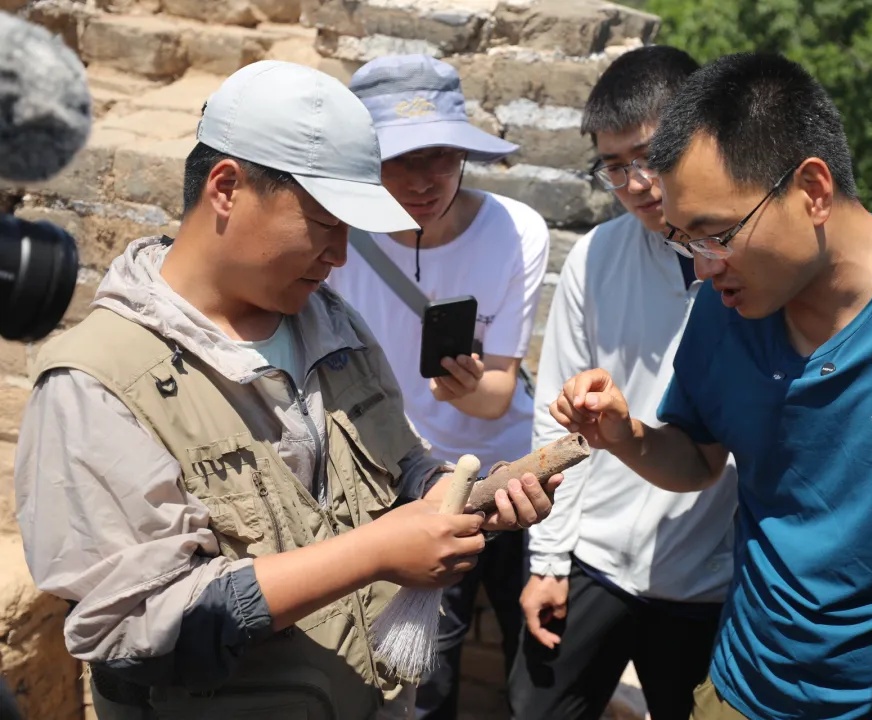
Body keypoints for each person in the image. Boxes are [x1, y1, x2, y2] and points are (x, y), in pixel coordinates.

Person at [13, 60, 559, 720]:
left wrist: (455, 498)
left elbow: (399, 468)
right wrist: (377, 553)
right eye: (325, 223)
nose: (341, 254)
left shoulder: (332, 324)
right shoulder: (98, 384)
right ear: (225, 188)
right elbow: (133, 628)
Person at [548, 51, 872, 720]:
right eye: (685, 241)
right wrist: (624, 435)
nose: (703, 267)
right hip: (740, 692)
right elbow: (698, 457)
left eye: (716, 234)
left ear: (813, 189)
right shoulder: (723, 313)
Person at [507, 45, 737, 720]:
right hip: (596, 559)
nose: (636, 183)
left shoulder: (749, 263)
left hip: (711, 578)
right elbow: (560, 415)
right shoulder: (597, 257)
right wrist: (548, 558)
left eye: (649, 156)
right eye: (614, 167)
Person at [326, 55, 550, 719]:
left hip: (507, 472)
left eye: (443, 155)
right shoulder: (337, 237)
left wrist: (463, 388)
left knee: (534, 666)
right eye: (401, 158)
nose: (425, 180)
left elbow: (498, 395)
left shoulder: (516, 231)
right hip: (407, 487)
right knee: (425, 681)